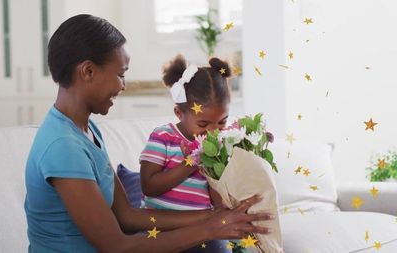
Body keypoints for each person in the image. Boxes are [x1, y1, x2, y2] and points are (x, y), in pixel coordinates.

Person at [24, 14, 273, 253]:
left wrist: (215, 216)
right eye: (121, 74)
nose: (123, 85)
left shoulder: (87, 132)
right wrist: (210, 229)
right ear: (88, 71)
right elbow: (116, 246)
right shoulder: (62, 146)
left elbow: (127, 216)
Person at [139, 55, 245, 252]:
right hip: (161, 232)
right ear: (179, 113)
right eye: (203, 124)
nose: (213, 131)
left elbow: (218, 202)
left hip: (204, 232)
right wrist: (191, 162)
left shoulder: (221, 144)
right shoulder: (163, 136)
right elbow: (149, 186)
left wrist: (213, 167)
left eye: (222, 122)